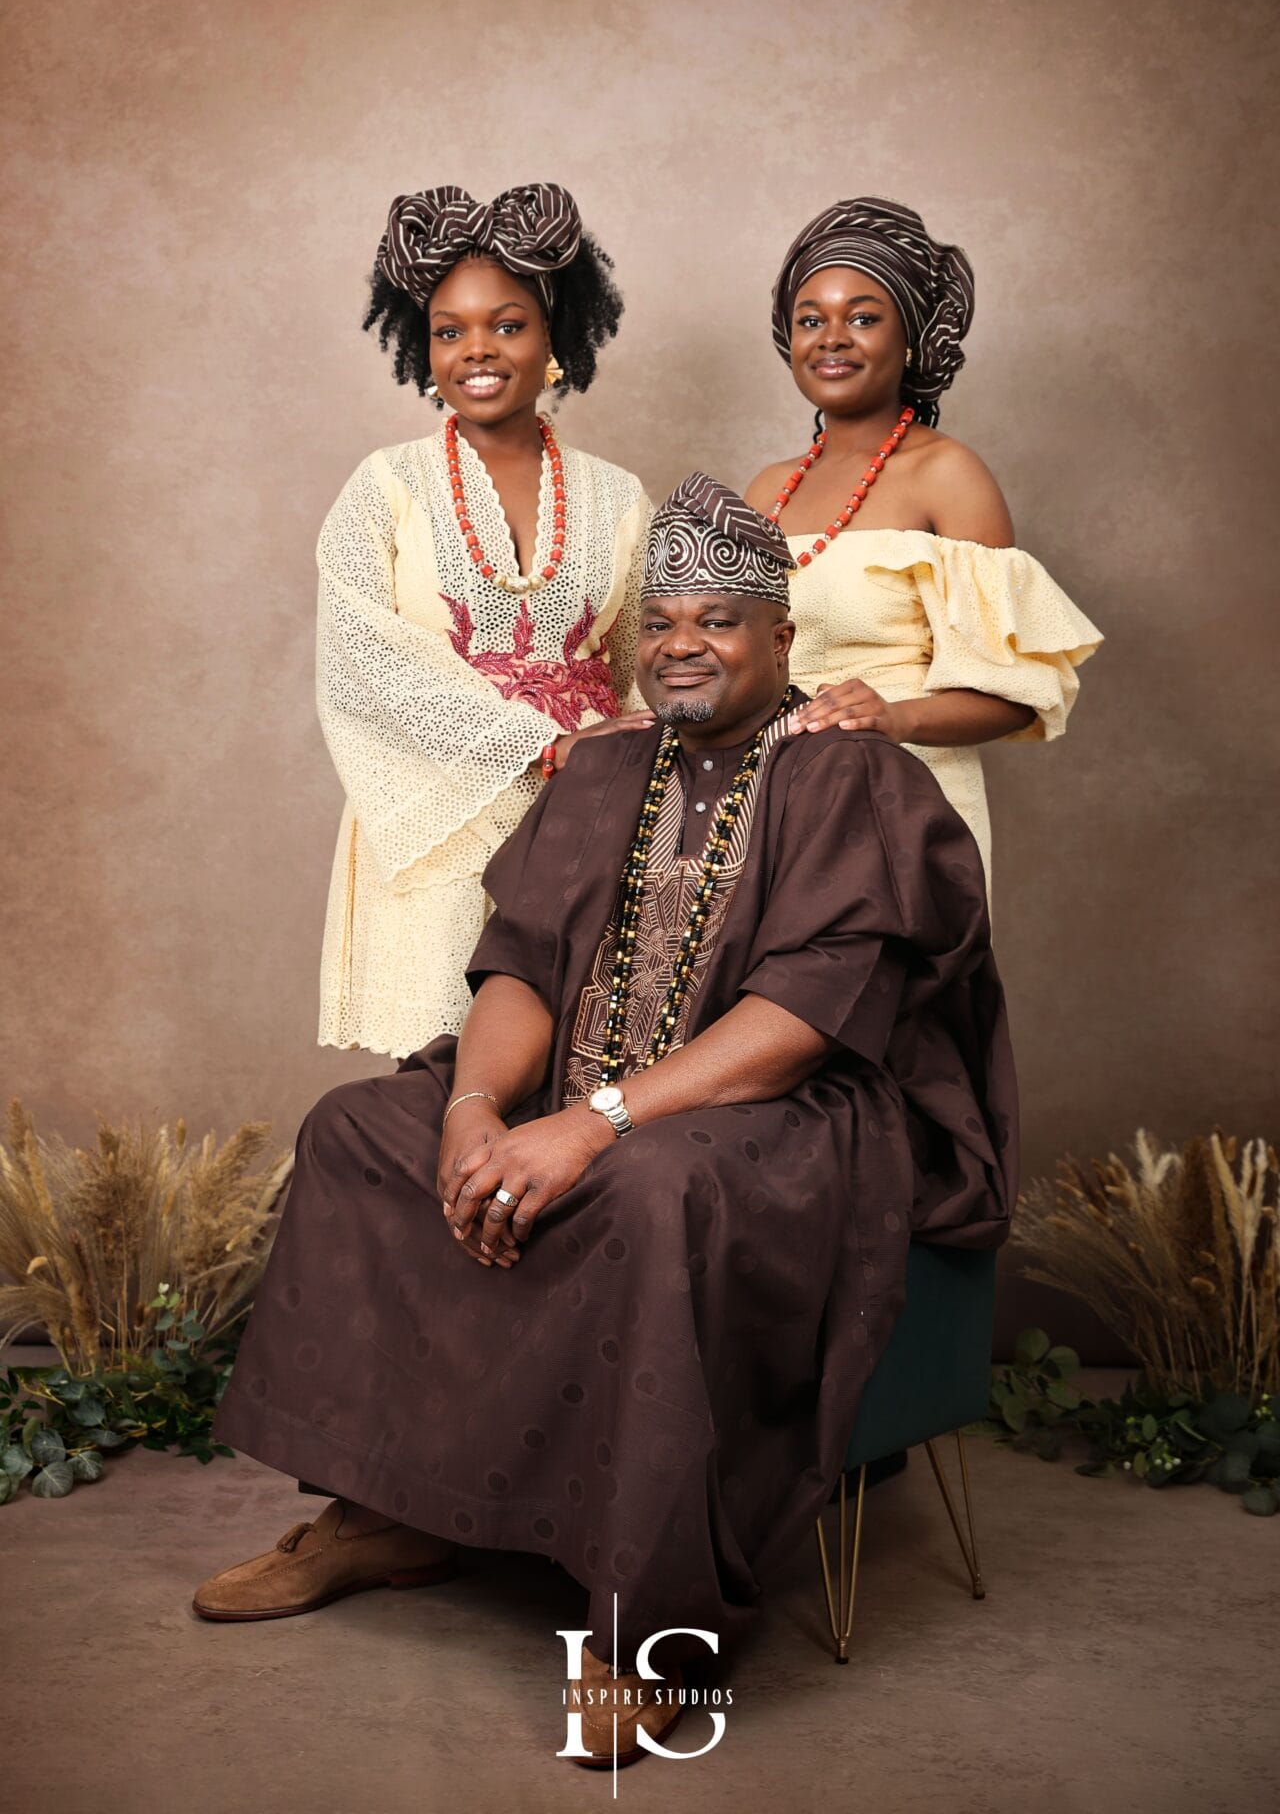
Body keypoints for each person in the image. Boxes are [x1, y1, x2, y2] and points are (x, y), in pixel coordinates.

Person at [197, 474, 1018, 1767]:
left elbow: (803, 1020)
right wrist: (476, 1107)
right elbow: (517, 960)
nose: (682, 644)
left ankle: (648, 1636)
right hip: (582, 1089)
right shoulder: (604, 771)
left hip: (787, 1117)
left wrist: (594, 1124)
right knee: (364, 1132)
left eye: (719, 621)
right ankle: (388, 1511)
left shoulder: (851, 774)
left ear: (781, 638)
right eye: (663, 621)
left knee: (647, 1190)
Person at [317, 181, 653, 1060]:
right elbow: (366, 665)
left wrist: (609, 755)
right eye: (449, 330)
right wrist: (541, 744)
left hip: (587, 823)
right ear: (422, 348)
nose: (478, 351)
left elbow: (633, 671)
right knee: (439, 1084)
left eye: (507, 325)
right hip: (440, 821)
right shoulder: (385, 487)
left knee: (574, 1076)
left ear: (554, 340)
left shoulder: (619, 498)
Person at [743, 195, 1103, 896]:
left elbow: (1018, 692)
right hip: (767, 808)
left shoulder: (949, 475)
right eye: (811, 319)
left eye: (864, 317)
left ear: (909, 338)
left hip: (902, 806)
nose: (832, 337)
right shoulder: (766, 489)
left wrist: (894, 716)